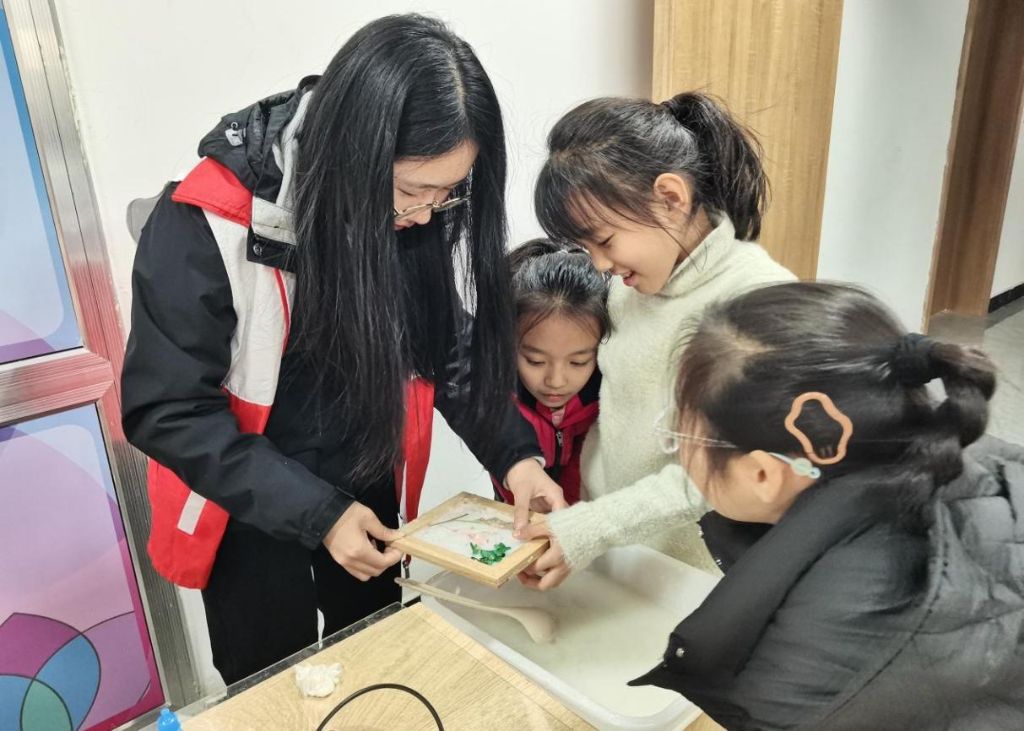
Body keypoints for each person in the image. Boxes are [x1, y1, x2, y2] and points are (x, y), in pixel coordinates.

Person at [121, 14, 562, 685]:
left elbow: (446, 345)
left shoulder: (413, 215)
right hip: (248, 492)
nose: (424, 214)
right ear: (352, 154)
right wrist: (320, 514)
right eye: (411, 192)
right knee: (271, 678)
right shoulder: (205, 219)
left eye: (448, 194)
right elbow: (168, 409)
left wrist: (518, 458)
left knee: (379, 653)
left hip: (364, 469)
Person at [631, 281, 1024, 730]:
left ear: (763, 474)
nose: (680, 452)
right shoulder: (969, 460)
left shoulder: (805, 673)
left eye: (682, 433)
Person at [521, 92, 794, 588]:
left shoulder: (754, 298)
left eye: (604, 240)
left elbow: (723, 471)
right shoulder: (630, 289)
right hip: (611, 547)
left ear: (671, 198)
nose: (599, 264)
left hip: (691, 574)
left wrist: (590, 529)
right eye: (585, 246)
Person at [492, 239, 608, 508]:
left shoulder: (604, 394)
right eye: (535, 361)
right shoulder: (497, 394)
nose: (556, 381)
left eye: (578, 362)